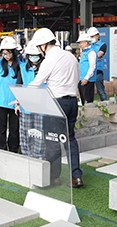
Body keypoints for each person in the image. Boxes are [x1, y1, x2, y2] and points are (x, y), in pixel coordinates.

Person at [29, 27, 81, 188]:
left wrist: (20, 98)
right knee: (70, 140)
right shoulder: (71, 57)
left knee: (52, 141)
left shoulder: (49, 59)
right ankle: (76, 176)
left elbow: (36, 83)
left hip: (56, 103)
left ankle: (54, 177)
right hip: (72, 102)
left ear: (43, 45)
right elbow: (77, 79)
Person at [0, 37, 23, 153]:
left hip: (15, 102)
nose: (6, 56)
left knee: (14, 129)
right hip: (0, 101)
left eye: (9, 53)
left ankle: (13, 149)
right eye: (4, 53)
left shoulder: (21, 65)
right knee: (1, 128)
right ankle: (2, 150)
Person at [18, 43, 44, 158]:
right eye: (31, 55)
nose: (34, 58)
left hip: (42, 106)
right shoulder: (23, 68)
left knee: (40, 133)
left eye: (36, 55)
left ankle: (39, 156)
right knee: (25, 132)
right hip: (26, 106)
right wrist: (18, 102)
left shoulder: (45, 67)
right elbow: (19, 85)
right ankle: (26, 155)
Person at [88, 27, 108, 101]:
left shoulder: (103, 45)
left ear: (97, 35)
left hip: (98, 70)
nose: (91, 38)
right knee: (88, 90)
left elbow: (99, 54)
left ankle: (105, 103)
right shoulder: (89, 44)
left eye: (93, 36)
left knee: (100, 90)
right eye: (90, 36)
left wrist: (93, 56)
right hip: (88, 70)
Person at [78, 33, 97, 104]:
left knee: (87, 100)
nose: (80, 45)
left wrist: (86, 78)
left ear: (86, 42)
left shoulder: (91, 52)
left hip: (88, 80)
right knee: (83, 100)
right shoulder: (84, 52)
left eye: (81, 43)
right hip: (82, 79)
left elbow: (92, 66)